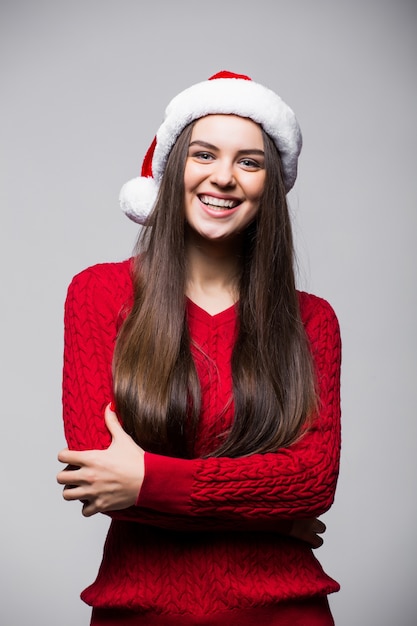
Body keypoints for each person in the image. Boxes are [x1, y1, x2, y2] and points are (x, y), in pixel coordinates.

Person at [57, 70, 341, 625]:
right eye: (204, 155)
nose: (225, 177)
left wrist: (150, 482)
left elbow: (311, 482)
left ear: (269, 183)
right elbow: (100, 477)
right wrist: (272, 519)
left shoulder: (313, 320)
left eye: (250, 162)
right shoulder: (98, 293)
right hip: (138, 611)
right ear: (172, 169)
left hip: (284, 612)